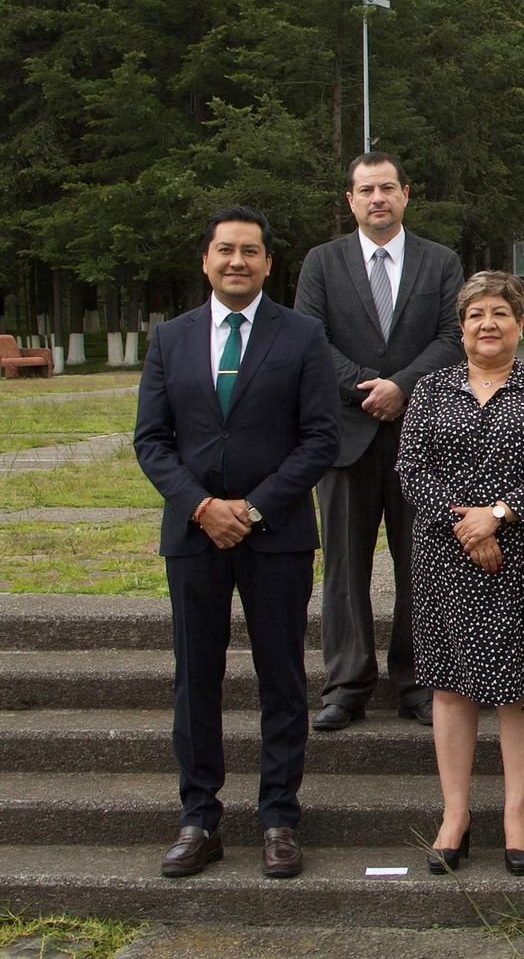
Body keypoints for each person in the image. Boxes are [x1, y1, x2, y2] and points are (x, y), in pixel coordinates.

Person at [134, 206, 341, 880]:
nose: (237, 262)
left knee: (282, 678)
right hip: (193, 536)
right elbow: (151, 441)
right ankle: (199, 819)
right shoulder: (170, 339)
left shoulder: (304, 336)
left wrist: (250, 510)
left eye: (251, 252)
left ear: (269, 264)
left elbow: (320, 440)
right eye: (225, 250)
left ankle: (279, 817)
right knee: (197, 680)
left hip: (275, 535)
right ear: (205, 259)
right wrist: (201, 507)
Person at [396, 271, 524, 877]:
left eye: (500, 313)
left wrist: (496, 518)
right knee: (450, 686)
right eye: (477, 315)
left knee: (520, 687)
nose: (488, 325)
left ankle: (515, 814)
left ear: (519, 323)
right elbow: (413, 470)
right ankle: (455, 815)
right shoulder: (429, 391)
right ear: (462, 325)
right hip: (446, 557)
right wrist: (467, 529)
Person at [295, 152, 466, 732]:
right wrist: (369, 391)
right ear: (350, 200)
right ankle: (346, 683)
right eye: (365, 189)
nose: (377, 199)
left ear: (406, 194)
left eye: (387, 188)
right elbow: (310, 339)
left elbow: (452, 336)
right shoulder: (322, 263)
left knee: (422, 561)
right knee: (344, 565)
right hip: (345, 436)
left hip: (423, 438)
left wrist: (401, 386)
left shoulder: (440, 262)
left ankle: (418, 679)